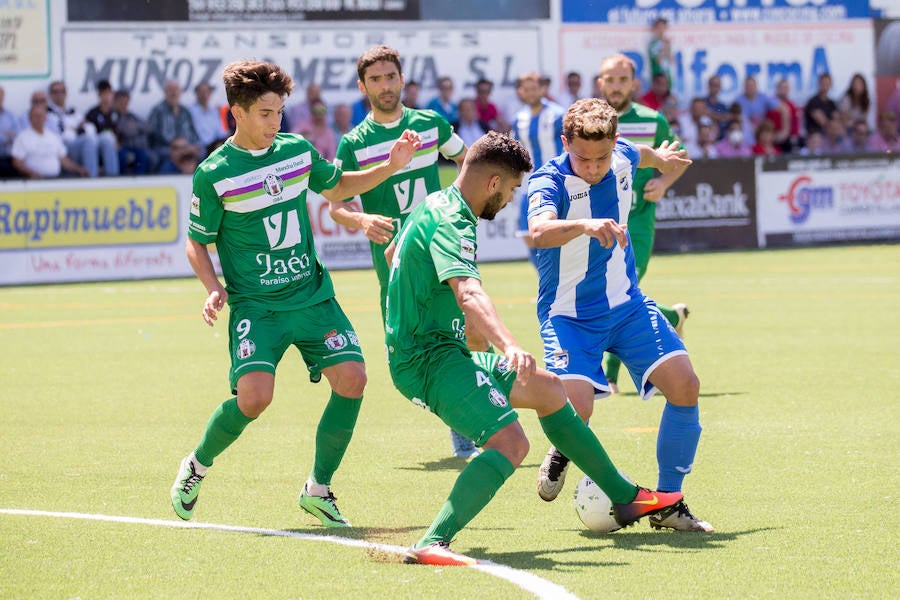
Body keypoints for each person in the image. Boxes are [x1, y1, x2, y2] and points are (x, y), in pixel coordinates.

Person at [386, 131, 685, 565]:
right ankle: (433, 541)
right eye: (509, 191)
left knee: (548, 389)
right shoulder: (454, 220)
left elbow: (397, 251)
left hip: (442, 350)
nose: (509, 200)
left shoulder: (436, 204)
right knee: (511, 442)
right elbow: (468, 292)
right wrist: (507, 344)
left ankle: (626, 498)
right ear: (493, 183)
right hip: (427, 361)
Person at [169, 59, 422, 527]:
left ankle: (318, 489)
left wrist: (389, 166)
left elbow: (339, 188)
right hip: (257, 307)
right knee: (254, 399)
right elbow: (196, 241)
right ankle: (196, 466)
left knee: (353, 379)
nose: (275, 122)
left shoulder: (297, 151)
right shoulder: (214, 172)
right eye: (265, 113)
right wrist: (212, 288)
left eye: (280, 112)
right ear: (236, 113)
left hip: (312, 296)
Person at [525, 97, 712, 533]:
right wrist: (587, 224)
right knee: (577, 408)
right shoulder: (548, 179)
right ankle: (563, 449)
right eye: (583, 158)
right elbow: (537, 232)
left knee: (685, 384)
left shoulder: (624, 153)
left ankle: (668, 503)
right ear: (565, 141)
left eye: (602, 157)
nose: (593, 167)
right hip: (569, 315)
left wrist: (661, 158)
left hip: (627, 305)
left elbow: (640, 153)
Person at [326, 45, 478, 459]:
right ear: (362, 86)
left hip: (441, 251)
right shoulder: (354, 143)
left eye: (390, 76)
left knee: (464, 335)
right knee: (413, 353)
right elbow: (336, 204)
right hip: (393, 265)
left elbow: (470, 163)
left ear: (402, 79)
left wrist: (454, 204)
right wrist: (362, 221)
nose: (385, 85)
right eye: (375, 79)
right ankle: (462, 414)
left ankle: (470, 426)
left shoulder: (430, 124)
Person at [595, 54, 690, 395]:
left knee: (621, 290)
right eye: (610, 79)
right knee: (610, 292)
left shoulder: (652, 121)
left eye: (623, 80)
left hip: (637, 223)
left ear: (633, 84)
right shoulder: (590, 119)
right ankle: (670, 317)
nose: (616, 86)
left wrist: (664, 183)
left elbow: (679, 157)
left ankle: (608, 376)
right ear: (600, 82)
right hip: (599, 221)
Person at [510, 71, 565, 266]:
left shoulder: (557, 115)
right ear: (521, 92)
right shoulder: (519, 119)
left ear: (542, 89)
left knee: (553, 234)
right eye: (527, 89)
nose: (531, 93)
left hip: (556, 181)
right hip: (528, 184)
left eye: (535, 88)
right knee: (528, 235)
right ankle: (545, 282)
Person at [46, 80, 115, 177]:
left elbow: (90, 128)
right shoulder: (48, 113)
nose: (59, 94)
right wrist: (78, 129)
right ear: (50, 95)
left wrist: (76, 129)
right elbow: (63, 135)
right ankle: (92, 180)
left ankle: (112, 178)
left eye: (62, 91)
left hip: (81, 141)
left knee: (107, 137)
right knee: (88, 141)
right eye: (56, 92)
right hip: (66, 148)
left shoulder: (74, 110)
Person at [11, 104, 89, 179]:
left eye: (41, 116)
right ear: (30, 118)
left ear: (45, 117)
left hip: (55, 181)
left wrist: (79, 169)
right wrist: (31, 173)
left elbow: (63, 160)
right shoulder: (22, 137)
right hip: (33, 183)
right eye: (36, 116)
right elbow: (17, 162)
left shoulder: (53, 136)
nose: (39, 118)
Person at [148, 79, 203, 173]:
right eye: (170, 89)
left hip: (187, 147)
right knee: (170, 156)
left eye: (176, 89)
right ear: (165, 92)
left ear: (180, 92)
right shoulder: (157, 111)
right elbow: (153, 135)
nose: (173, 93)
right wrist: (178, 147)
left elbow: (194, 134)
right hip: (166, 148)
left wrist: (191, 146)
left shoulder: (186, 112)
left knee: (203, 154)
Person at [83, 79, 121, 176]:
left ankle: (114, 176)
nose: (106, 97)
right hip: (97, 145)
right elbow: (86, 130)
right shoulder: (92, 113)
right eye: (104, 94)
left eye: (108, 94)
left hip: (113, 146)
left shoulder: (115, 113)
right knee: (107, 138)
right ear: (99, 95)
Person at [113, 89, 152, 175]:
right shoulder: (113, 115)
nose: (124, 105)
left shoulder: (131, 116)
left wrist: (135, 127)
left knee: (143, 154)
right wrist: (133, 129)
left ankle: (139, 181)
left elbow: (148, 127)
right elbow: (126, 131)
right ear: (115, 101)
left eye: (126, 102)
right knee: (122, 156)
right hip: (122, 147)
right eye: (121, 102)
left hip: (136, 147)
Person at [189, 81, 228, 149]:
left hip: (216, 144)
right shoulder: (191, 111)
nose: (204, 95)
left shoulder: (214, 111)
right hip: (200, 146)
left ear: (210, 93)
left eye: (206, 92)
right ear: (196, 93)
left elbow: (220, 131)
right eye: (201, 92)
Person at [804, 72, 838, 137]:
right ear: (818, 84)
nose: (825, 85)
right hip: (815, 137)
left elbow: (836, 119)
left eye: (827, 83)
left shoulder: (832, 103)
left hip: (829, 136)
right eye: (823, 83)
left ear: (830, 85)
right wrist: (833, 126)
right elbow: (823, 122)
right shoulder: (813, 101)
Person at [0, 85, 20, 177]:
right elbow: (8, 137)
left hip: (9, 158)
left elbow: (18, 136)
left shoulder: (11, 115)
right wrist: (6, 136)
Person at [647, 18, 673, 87]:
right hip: (658, 77)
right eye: (659, 27)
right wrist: (665, 47)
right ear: (655, 29)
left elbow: (672, 61)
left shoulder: (667, 42)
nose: (661, 30)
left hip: (667, 76)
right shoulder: (653, 44)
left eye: (663, 27)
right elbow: (657, 61)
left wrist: (667, 48)